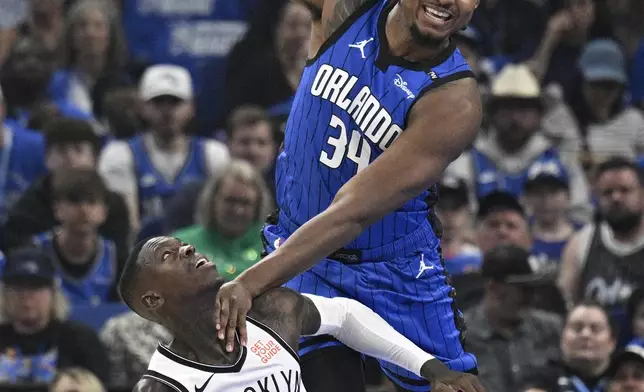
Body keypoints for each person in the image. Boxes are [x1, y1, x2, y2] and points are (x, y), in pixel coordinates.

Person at [213, 0, 485, 391]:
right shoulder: (350, 9)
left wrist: (249, 282)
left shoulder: (453, 99)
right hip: (304, 257)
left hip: (393, 271)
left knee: (456, 387)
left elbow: (353, 211)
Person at [121, 237, 484, 392]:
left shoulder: (269, 312)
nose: (186, 248)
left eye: (180, 245)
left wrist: (431, 368)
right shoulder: (162, 386)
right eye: (167, 256)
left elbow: (345, 316)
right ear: (152, 300)